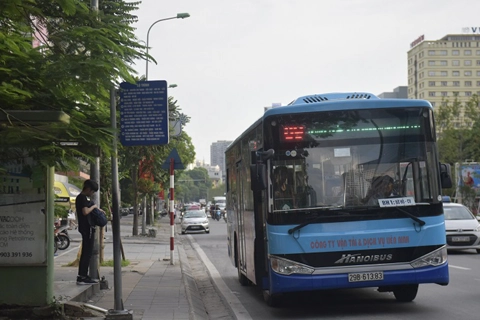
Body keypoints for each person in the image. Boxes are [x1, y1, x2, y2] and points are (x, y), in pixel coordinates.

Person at [75, 179, 104, 285]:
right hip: (86, 228)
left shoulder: (82, 198)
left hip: (87, 228)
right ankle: (82, 276)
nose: (92, 194)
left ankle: (83, 275)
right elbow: (85, 211)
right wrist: (94, 207)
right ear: (87, 189)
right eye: (92, 191)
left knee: (87, 253)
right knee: (87, 253)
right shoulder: (81, 197)